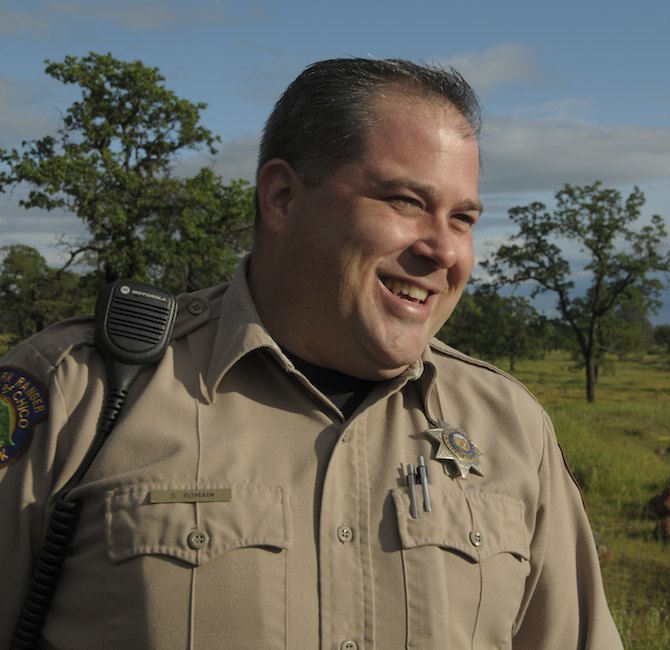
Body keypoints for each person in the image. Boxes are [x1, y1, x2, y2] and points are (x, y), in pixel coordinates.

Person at [0, 58, 623, 649]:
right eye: (405, 201)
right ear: (281, 197)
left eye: (462, 218)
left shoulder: (511, 427)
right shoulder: (77, 390)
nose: (443, 250)